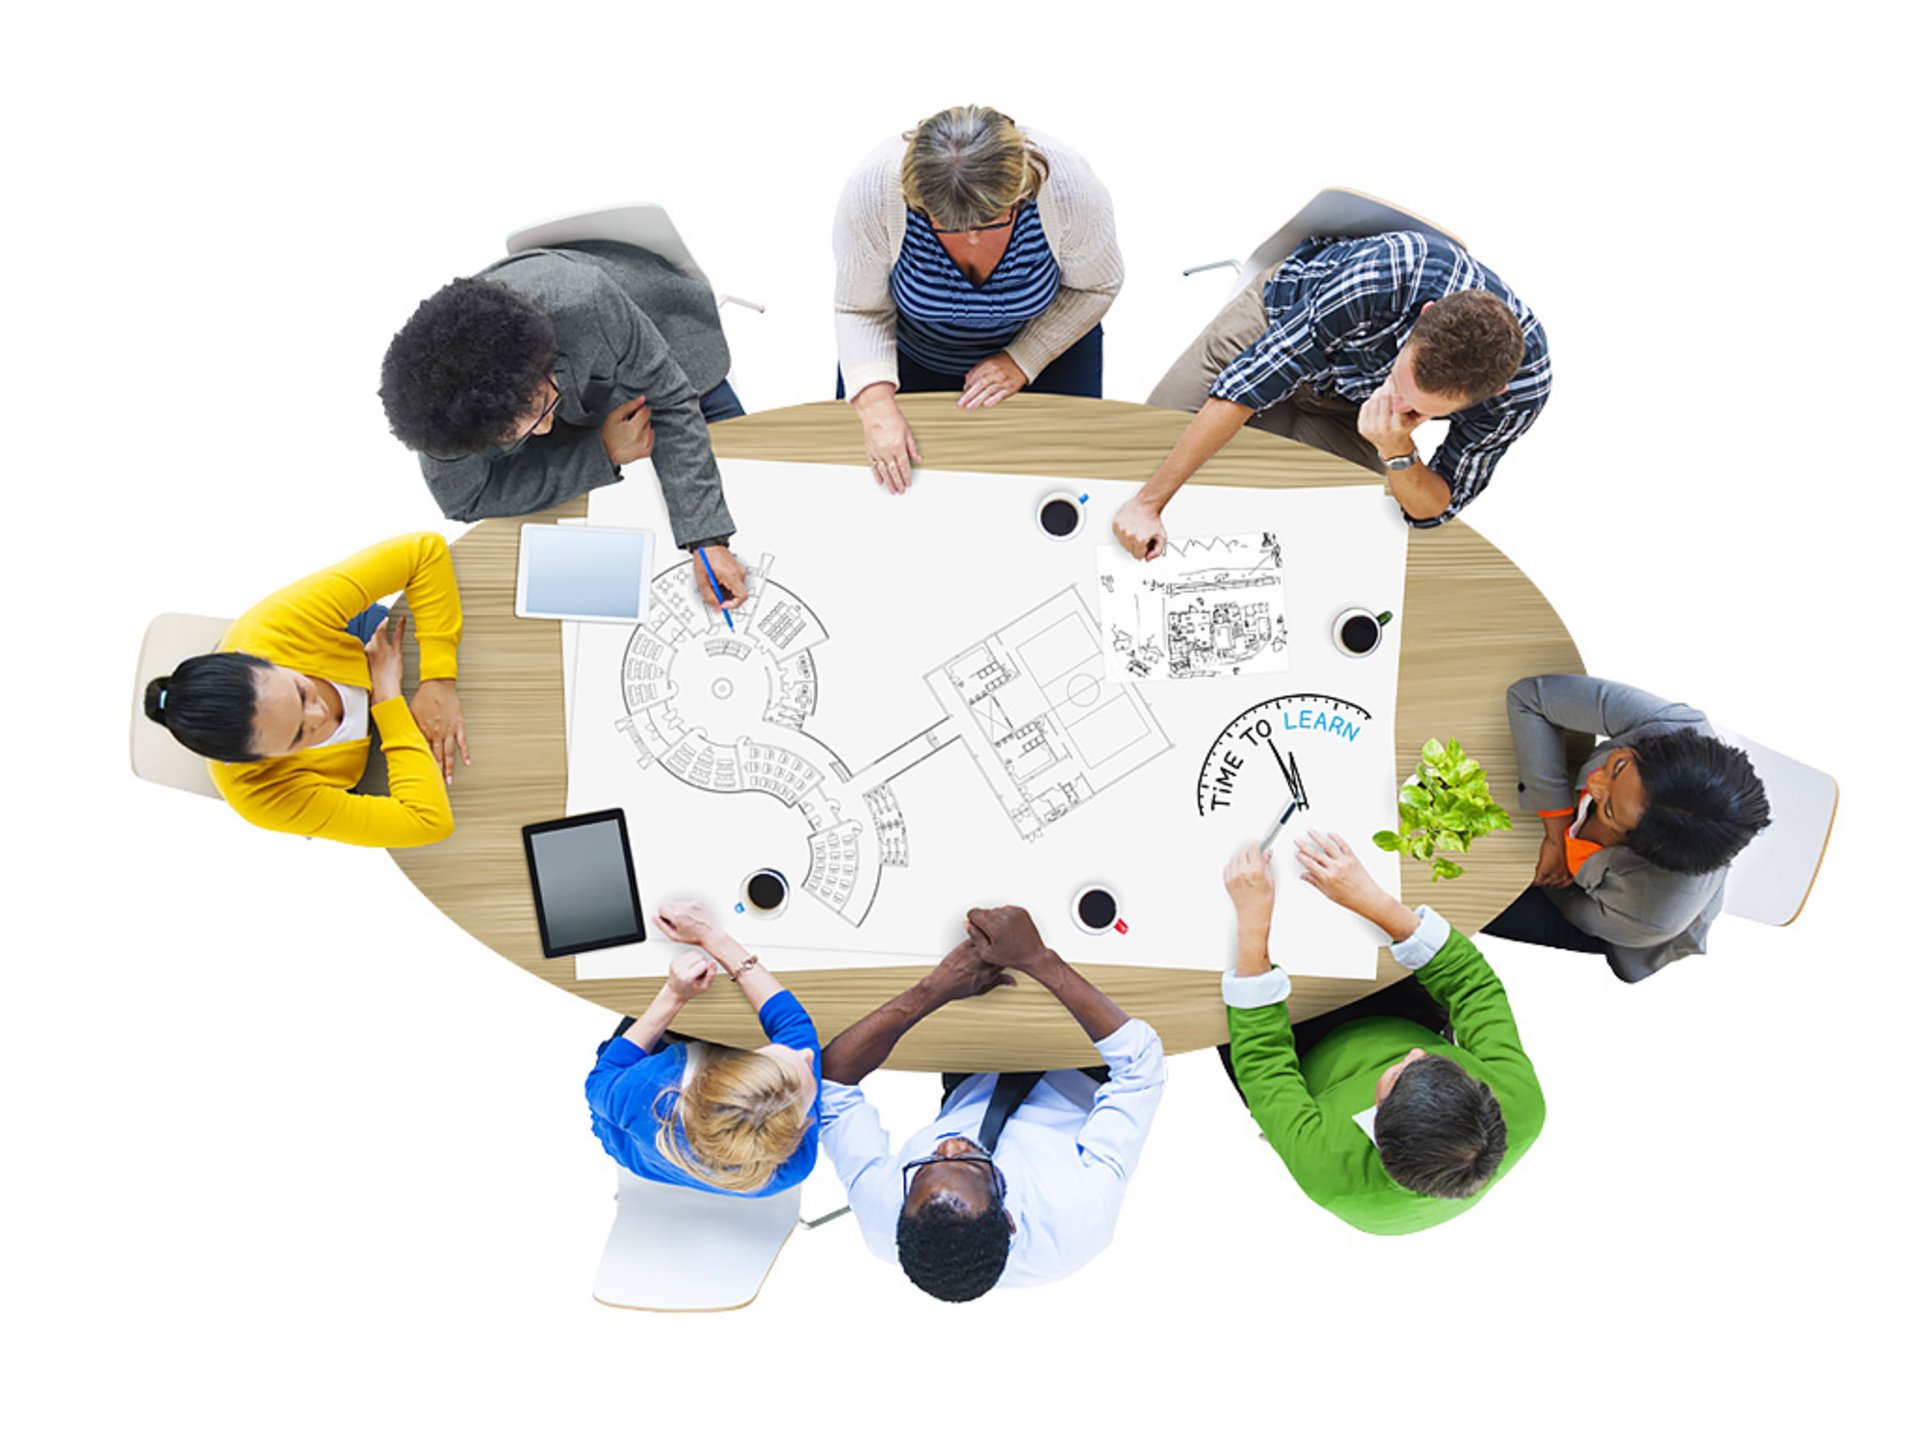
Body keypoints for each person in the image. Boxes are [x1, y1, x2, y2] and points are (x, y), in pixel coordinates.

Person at [1113, 230, 1550, 558]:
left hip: (1350, 408)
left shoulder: (1518, 397)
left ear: (1495, 391)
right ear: (1425, 315)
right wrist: (1148, 504)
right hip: (1281, 319)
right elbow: (1247, 385)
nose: (1396, 406)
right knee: (1145, 458)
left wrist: (1398, 448)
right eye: (1399, 384)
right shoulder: (1385, 274)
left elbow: (1433, 510)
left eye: (1418, 411)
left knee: (1321, 540)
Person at [818, 907, 1164, 1300]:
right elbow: (1140, 1066)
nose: (947, 1145)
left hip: (976, 1064)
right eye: (970, 1163)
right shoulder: (1078, 1218)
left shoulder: (884, 1217)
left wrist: (937, 987)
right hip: (1083, 1057)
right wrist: (1037, 959)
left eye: (924, 1166)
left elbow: (831, 1082)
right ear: (1009, 1219)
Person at [380, 241, 748, 610]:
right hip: (579, 411)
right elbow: (465, 497)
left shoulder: (584, 299)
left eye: (539, 405)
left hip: (659, 334)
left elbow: (670, 400)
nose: (540, 429)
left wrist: (707, 540)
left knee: (748, 486)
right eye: (509, 434)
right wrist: (600, 452)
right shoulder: (440, 414)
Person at [1219, 834, 1545, 1235]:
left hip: (1299, 1059)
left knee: (1217, 957)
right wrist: (1370, 898)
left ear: (1374, 1123)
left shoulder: (1329, 1174)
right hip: (1402, 1014)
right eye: (1433, 1060)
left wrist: (1254, 924)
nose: (1412, 1053)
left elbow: (1264, 1065)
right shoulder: (1522, 1104)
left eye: (1398, 1073)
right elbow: (1472, 987)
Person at [834, 104, 1123, 493]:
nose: (970, 238)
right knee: (877, 490)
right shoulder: (874, 191)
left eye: (989, 222)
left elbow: (1097, 285)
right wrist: (875, 406)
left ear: (1019, 194)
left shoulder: (1069, 189)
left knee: (1062, 489)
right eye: (949, 226)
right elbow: (859, 308)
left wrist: (1024, 358)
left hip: (1049, 350)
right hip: (911, 353)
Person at [142, 533, 466, 848]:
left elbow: (424, 551)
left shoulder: (273, 626)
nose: (319, 713)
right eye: (299, 735)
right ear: (245, 762)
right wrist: (387, 699)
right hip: (371, 762)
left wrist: (438, 679)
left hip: (369, 647)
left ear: (254, 657)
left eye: (301, 693)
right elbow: (427, 822)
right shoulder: (258, 796)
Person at [1488, 675, 1771, 982]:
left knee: (1454, 901)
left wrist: (1541, 874)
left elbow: (1575, 907)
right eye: (1618, 765)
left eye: (1608, 809)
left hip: (1605, 920)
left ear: (1635, 846)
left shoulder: (1647, 917)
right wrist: (1557, 832)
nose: (1595, 781)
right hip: (1582, 852)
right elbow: (1530, 697)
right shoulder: (1673, 724)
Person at [585, 902, 820, 1195]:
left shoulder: (650, 1085)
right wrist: (715, 939)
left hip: (628, 1137)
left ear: (716, 1071)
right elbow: (795, 1028)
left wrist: (673, 995)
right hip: (673, 1152)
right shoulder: (794, 1162)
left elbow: (601, 1078)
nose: (808, 1053)